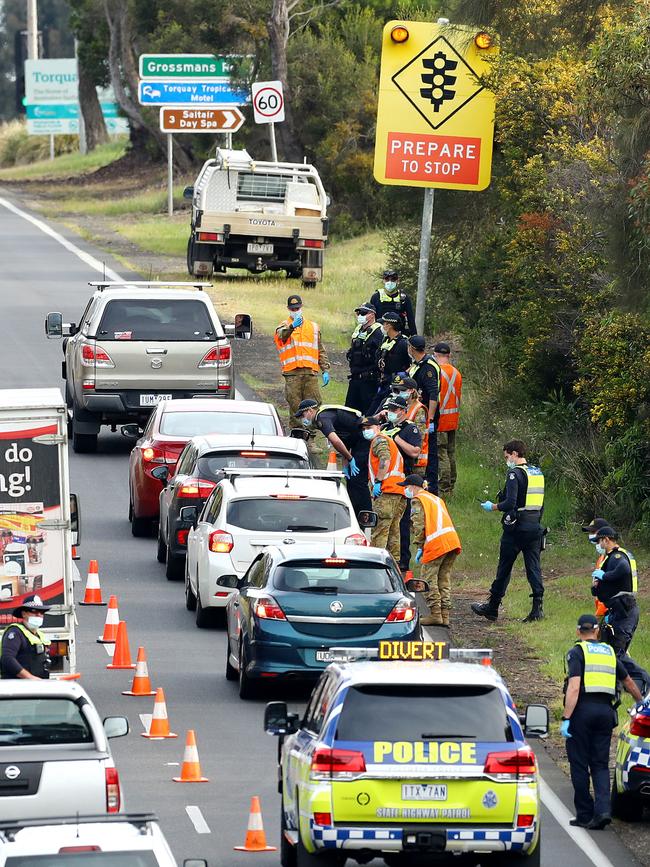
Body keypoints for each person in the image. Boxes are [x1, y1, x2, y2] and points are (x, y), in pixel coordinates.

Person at [562, 613, 642, 830]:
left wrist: (566, 718)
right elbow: (628, 681)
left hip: (582, 712)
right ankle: (603, 811)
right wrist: (642, 703)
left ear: (579, 631)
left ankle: (584, 815)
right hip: (606, 713)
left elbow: (574, 687)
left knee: (579, 764)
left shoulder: (577, 652)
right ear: (597, 631)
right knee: (599, 764)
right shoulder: (609, 652)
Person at [471, 440, 545, 623]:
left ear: (514, 453)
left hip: (517, 528)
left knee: (504, 567)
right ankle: (537, 609)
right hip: (535, 526)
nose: (507, 460)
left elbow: (510, 503)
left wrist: (493, 506)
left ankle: (493, 607)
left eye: (507, 457)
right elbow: (541, 503)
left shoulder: (515, 474)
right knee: (533, 567)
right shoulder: (537, 472)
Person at [401, 474, 461, 627]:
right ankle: (444, 615)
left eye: (406, 487)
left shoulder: (418, 500)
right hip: (451, 541)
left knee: (428, 578)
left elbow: (419, 525)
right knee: (443, 578)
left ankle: (435, 614)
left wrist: (420, 545)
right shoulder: (435, 499)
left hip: (436, 543)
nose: (406, 491)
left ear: (414, 486)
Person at [295, 399, 371, 515]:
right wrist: (346, 462)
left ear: (310, 410)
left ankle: (366, 513)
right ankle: (355, 512)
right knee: (350, 480)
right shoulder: (322, 416)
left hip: (362, 440)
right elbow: (344, 439)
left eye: (303, 415)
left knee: (358, 480)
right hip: (354, 441)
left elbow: (335, 441)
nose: (303, 419)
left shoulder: (322, 419)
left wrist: (350, 459)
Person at [380, 395, 422, 572]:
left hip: (404, 478)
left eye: (394, 410)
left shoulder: (409, 429)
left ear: (404, 411)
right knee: (386, 521)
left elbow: (414, 451)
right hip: (386, 480)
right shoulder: (386, 426)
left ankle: (403, 559)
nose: (391, 413)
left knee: (403, 522)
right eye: (389, 409)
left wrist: (396, 438)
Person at [274, 294, 330, 427]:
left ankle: (310, 437)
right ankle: (297, 435)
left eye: (297, 308)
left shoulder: (313, 327)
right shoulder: (284, 326)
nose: (295, 311)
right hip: (292, 374)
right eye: (292, 309)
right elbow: (282, 336)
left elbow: (320, 350)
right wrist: (292, 326)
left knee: (313, 405)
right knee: (295, 406)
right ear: (288, 309)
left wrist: (325, 369)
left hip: (310, 374)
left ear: (301, 307)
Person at [362, 416, 406, 563]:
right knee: (393, 531)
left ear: (378, 427)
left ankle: (375, 564)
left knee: (380, 530)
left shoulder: (379, 440)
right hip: (398, 492)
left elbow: (385, 460)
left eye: (369, 428)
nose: (366, 431)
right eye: (363, 429)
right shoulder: (387, 440)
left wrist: (378, 482)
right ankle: (395, 566)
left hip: (386, 491)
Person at [407, 336, 441, 493]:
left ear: (412, 349)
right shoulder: (418, 363)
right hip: (418, 412)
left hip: (426, 414)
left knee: (430, 451)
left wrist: (431, 418)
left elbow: (434, 394)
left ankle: (431, 486)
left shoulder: (428, 367)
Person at [433, 341, 462, 495]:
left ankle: (444, 487)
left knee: (441, 453)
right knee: (451, 453)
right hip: (453, 419)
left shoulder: (437, 372)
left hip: (441, 420)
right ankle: (451, 483)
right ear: (449, 355)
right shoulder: (456, 373)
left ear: (436, 355)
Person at [0, 594, 51, 679]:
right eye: (34, 611)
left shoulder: (39, 635)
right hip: (17, 687)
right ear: (24, 614)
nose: (38, 614)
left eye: (41, 612)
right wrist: (30, 678)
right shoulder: (15, 632)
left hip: (36, 687)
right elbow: (7, 658)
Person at [368, 313, 411, 414]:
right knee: (372, 411)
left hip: (395, 384)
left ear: (390, 325)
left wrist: (402, 376)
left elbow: (412, 364)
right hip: (383, 382)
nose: (382, 326)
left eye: (384, 323)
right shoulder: (385, 340)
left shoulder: (403, 343)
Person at [345, 302, 383, 413]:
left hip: (369, 380)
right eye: (358, 313)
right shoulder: (358, 330)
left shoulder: (378, 332)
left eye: (363, 313)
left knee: (368, 412)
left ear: (372, 314)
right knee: (349, 412)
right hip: (355, 377)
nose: (360, 315)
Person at [391, 374, 429, 473]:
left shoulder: (419, 409)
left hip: (416, 461)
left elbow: (420, 435)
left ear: (412, 390)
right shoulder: (404, 407)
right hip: (404, 456)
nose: (400, 393)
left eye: (403, 390)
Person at [369, 269, 416, 336]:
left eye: (393, 279)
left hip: (399, 335)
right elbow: (371, 317)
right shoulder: (376, 297)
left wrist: (414, 336)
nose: (390, 282)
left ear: (397, 281)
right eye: (387, 279)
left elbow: (410, 319)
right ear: (383, 281)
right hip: (380, 334)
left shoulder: (404, 298)